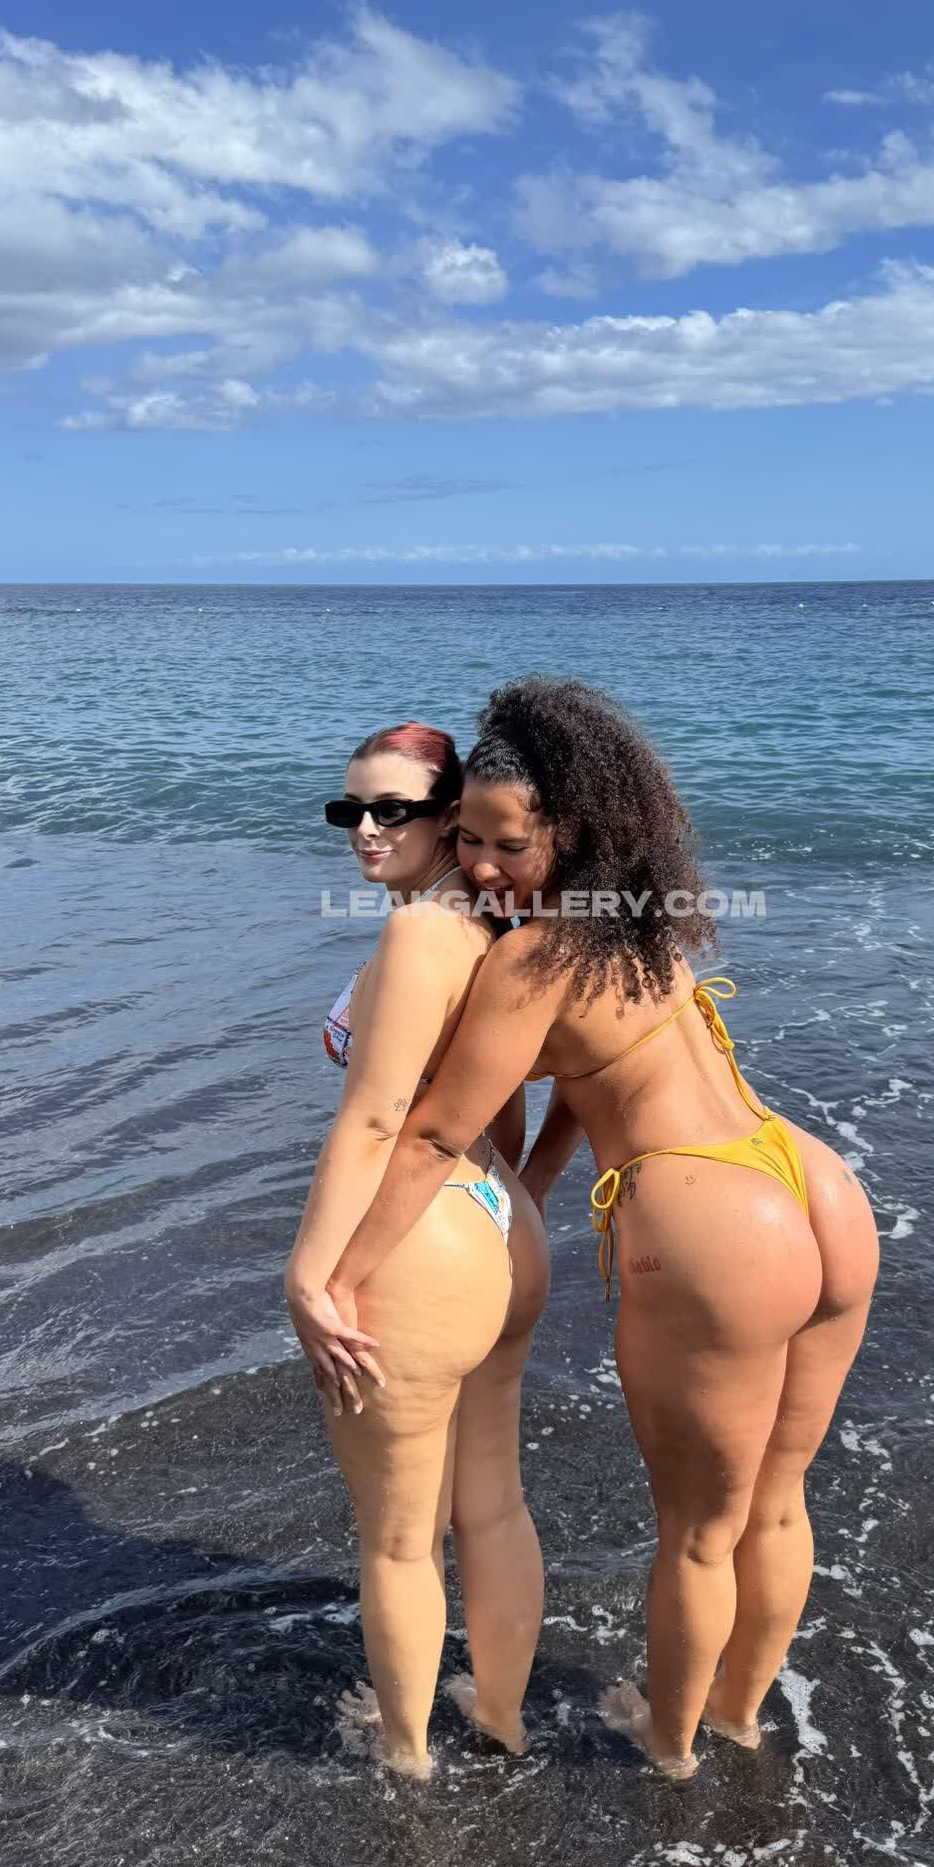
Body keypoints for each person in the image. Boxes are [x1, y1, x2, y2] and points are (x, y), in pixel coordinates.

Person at [318, 679, 880, 1780]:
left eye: (506, 844)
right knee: (775, 1503)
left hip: (717, 1223)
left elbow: (428, 1134)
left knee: (701, 1534)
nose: (485, 867)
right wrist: (532, 1184)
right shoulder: (636, 925)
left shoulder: (532, 959)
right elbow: (589, 1077)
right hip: (810, 1179)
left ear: (570, 832)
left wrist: (338, 1274)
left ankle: (668, 1747)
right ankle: (736, 1718)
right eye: (470, 839)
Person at [285, 721, 549, 1780]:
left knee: (400, 1539)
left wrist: (310, 1274)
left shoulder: (418, 936)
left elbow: (373, 1121)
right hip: (499, 1223)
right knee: (493, 1502)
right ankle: (503, 1719)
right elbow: (505, 1112)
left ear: (450, 819)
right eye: (348, 809)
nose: (364, 829)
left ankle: (405, 1759)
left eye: (391, 810)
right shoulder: (496, 931)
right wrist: (500, 1216)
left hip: (420, 1243)